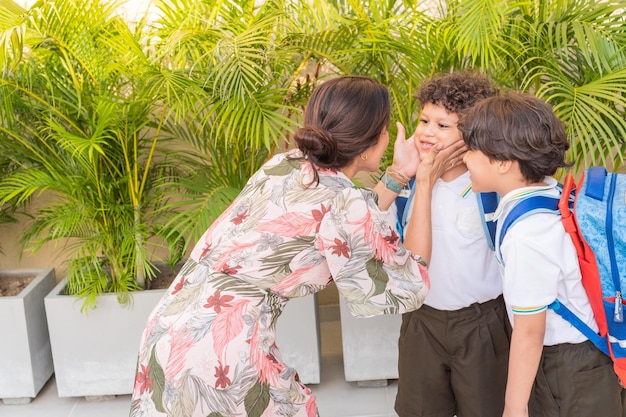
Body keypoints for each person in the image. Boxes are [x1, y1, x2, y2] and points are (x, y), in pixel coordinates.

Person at [129, 75, 462, 417]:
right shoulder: (343, 201)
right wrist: (424, 181)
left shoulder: (285, 165)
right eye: (386, 129)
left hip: (172, 324)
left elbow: (348, 222)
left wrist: (398, 174)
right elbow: (409, 279)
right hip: (219, 347)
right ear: (371, 140)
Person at [461, 92, 623, 417]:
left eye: (470, 150)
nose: (464, 158)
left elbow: (529, 333)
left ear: (503, 162)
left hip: (570, 367)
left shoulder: (527, 235)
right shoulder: (549, 190)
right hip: (585, 356)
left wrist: (513, 407)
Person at [394, 71, 511, 417]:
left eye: (444, 126)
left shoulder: (488, 188)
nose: (428, 131)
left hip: (482, 324)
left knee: (486, 408)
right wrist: (409, 175)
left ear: (471, 134)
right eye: (425, 120)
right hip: (421, 321)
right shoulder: (408, 185)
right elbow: (366, 223)